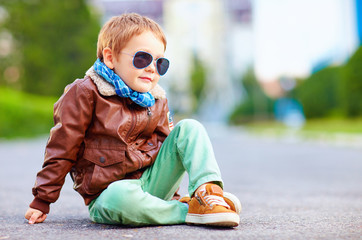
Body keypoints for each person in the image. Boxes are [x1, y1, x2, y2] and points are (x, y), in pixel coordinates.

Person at [25, 13, 241, 227]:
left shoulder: (157, 98)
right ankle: (189, 210)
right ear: (110, 58)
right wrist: (42, 200)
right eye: (142, 58)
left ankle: (208, 193)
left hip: (151, 185)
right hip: (108, 195)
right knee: (121, 196)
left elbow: (167, 152)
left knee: (190, 128)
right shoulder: (85, 92)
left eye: (160, 63)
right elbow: (62, 148)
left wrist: (172, 194)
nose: (151, 68)